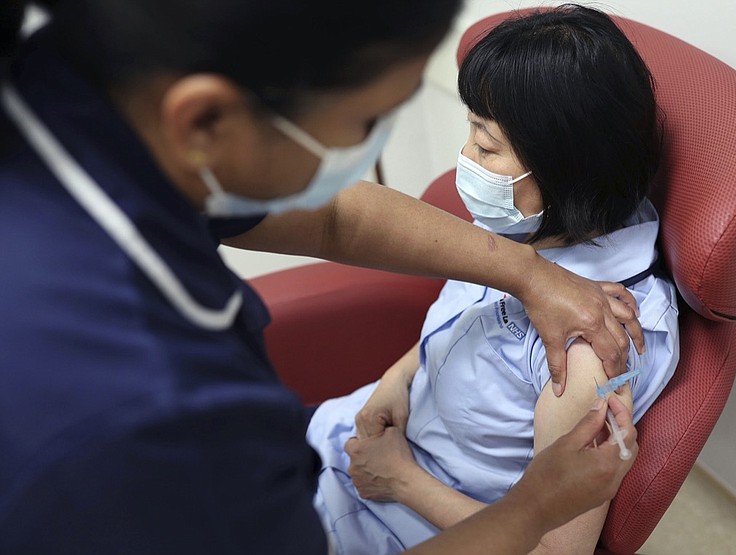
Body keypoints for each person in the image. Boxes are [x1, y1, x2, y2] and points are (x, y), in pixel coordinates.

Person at [0, 1, 639, 553]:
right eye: (365, 122)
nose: (462, 160)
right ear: (203, 122)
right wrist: (531, 510)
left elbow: (334, 219)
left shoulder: (80, 95)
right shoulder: (153, 413)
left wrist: (524, 272)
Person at [307, 6, 680, 554]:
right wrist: (396, 377)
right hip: (356, 443)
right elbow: (468, 318)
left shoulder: (591, 351)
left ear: (565, 169)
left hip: (414, 524)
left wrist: (403, 482)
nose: (466, 159)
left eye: (485, 147)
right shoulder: (531, 230)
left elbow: (555, 549)